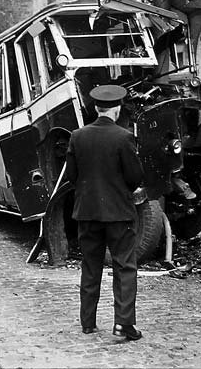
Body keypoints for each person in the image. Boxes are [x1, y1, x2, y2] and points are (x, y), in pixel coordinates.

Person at [65, 84, 144, 341]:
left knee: (90, 266)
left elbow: (72, 176)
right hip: (119, 214)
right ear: (117, 109)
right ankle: (123, 325)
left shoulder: (77, 136)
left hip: (87, 213)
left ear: (97, 108)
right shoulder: (124, 137)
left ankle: (87, 322)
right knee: (124, 267)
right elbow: (134, 178)